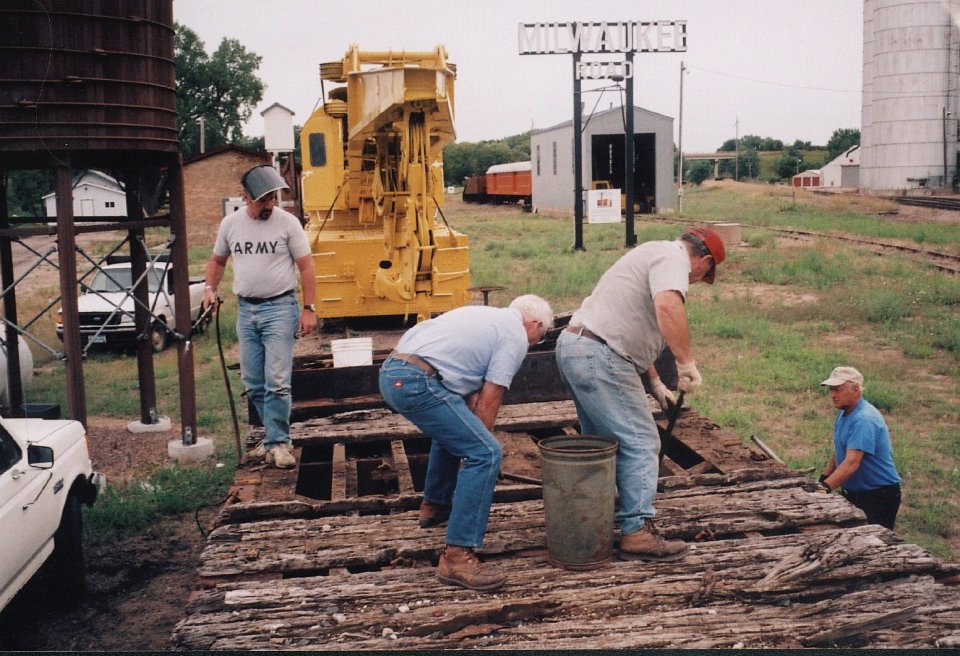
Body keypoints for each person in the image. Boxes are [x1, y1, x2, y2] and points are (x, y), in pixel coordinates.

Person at [555, 227, 726, 562]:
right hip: (600, 356)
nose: (698, 280)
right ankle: (635, 531)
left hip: (578, 346)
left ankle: (596, 517)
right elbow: (667, 308)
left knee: (603, 445)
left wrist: (655, 381)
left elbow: (630, 323)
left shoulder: (652, 251)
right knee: (642, 441)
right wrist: (685, 363)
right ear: (704, 260)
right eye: (705, 273)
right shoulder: (673, 259)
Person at [378, 295, 554, 591]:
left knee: (455, 434)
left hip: (393, 371)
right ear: (534, 323)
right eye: (541, 335)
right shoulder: (514, 335)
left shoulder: (484, 317)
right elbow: (490, 397)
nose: (536, 343)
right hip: (416, 380)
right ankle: (457, 555)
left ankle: (435, 506)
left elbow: (468, 395)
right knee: (485, 452)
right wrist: (480, 454)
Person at [202, 164, 317, 469]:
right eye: (263, 199)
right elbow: (217, 260)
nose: (270, 204)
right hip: (245, 310)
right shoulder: (230, 225)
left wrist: (309, 309)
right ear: (246, 198)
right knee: (253, 382)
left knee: (276, 380)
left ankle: (279, 442)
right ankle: (272, 440)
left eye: (273, 198)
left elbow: (306, 267)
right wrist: (209, 289)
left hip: (280, 308)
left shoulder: (288, 224)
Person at [817, 366, 902, 529]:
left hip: (877, 495)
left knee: (874, 546)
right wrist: (825, 476)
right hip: (855, 492)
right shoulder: (844, 413)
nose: (833, 395)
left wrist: (825, 488)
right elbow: (841, 450)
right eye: (831, 390)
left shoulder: (864, 419)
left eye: (837, 390)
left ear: (856, 389)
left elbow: (852, 463)